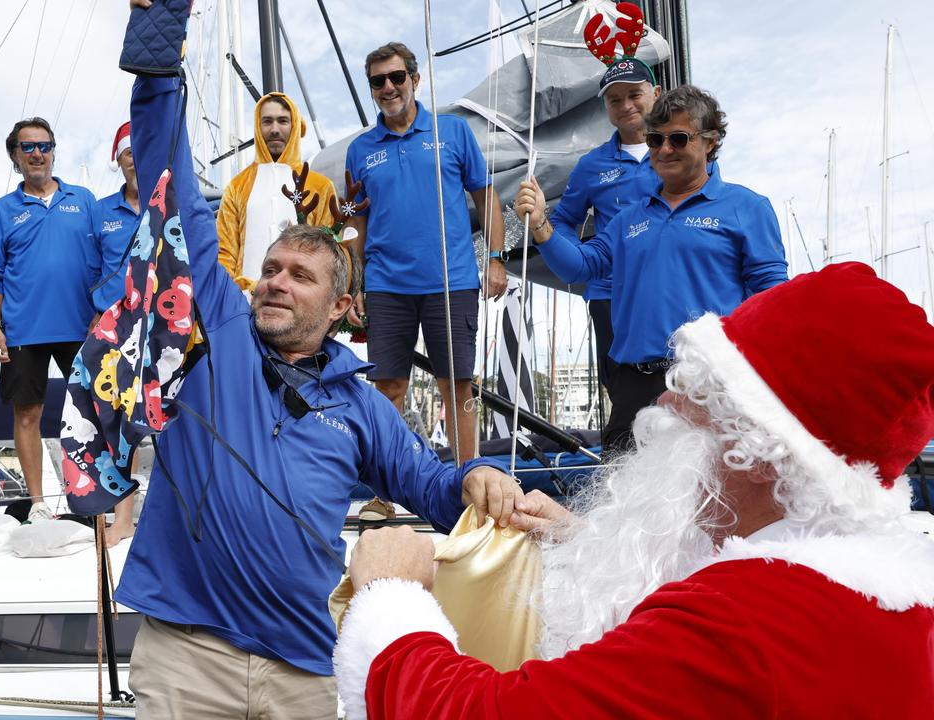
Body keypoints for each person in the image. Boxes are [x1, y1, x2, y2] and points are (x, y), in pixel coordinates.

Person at [114, 14, 524, 717]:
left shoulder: (361, 403)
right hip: (187, 656)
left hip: (307, 664)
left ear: (341, 307)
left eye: (301, 275)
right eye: (270, 268)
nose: (274, 281)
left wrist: (482, 476)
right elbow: (172, 192)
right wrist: (156, 70)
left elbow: (429, 484)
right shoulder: (218, 334)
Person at [333, 261, 934, 719]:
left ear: (758, 451)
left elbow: (485, 710)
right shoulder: (884, 605)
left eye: (700, 394)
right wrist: (583, 537)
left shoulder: (738, 625)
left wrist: (392, 597)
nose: (665, 403)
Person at [515, 84, 787, 453]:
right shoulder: (629, 219)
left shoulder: (746, 206)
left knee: (712, 505)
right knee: (625, 503)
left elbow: (772, 298)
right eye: (655, 139)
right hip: (635, 388)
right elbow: (579, 267)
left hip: (710, 383)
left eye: (678, 138)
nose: (663, 150)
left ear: (710, 141)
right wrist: (540, 225)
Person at [344, 41, 507, 475]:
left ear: (415, 80)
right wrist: (352, 285)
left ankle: (468, 484)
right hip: (384, 286)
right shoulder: (359, 151)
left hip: (451, 282)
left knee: (457, 386)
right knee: (387, 387)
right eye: (378, 81)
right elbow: (354, 221)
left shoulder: (453, 132)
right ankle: (386, 491)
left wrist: (494, 257)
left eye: (397, 77)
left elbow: (485, 195)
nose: (389, 87)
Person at [0, 117, 104, 525]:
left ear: (53, 150)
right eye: (28, 147)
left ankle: (95, 497)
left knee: (93, 412)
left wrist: (103, 314)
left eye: (44, 145)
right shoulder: (1, 211)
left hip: (82, 326)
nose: (38, 153)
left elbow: (106, 261)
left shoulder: (84, 200)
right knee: (27, 413)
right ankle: (37, 504)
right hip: (22, 329)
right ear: (15, 157)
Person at [547, 57, 661, 394]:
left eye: (634, 94)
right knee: (625, 396)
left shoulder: (680, 150)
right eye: (615, 99)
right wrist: (584, 257)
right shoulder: (591, 165)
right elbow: (564, 219)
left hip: (673, 287)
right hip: (613, 294)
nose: (625, 105)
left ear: (655, 93)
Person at [216, 92, 336, 291]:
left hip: (300, 302)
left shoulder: (320, 186)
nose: (274, 129)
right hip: (245, 301)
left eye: (283, 121)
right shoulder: (237, 186)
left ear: (295, 125)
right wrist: (229, 297)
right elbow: (225, 251)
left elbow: (331, 250)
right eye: (267, 121)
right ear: (257, 126)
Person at [92, 120, 141, 546]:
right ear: (118, 159)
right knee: (120, 418)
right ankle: (122, 516)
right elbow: (89, 271)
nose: (134, 159)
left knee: (173, 417)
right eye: (128, 152)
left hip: (167, 323)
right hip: (116, 324)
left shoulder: (172, 201)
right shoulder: (100, 211)